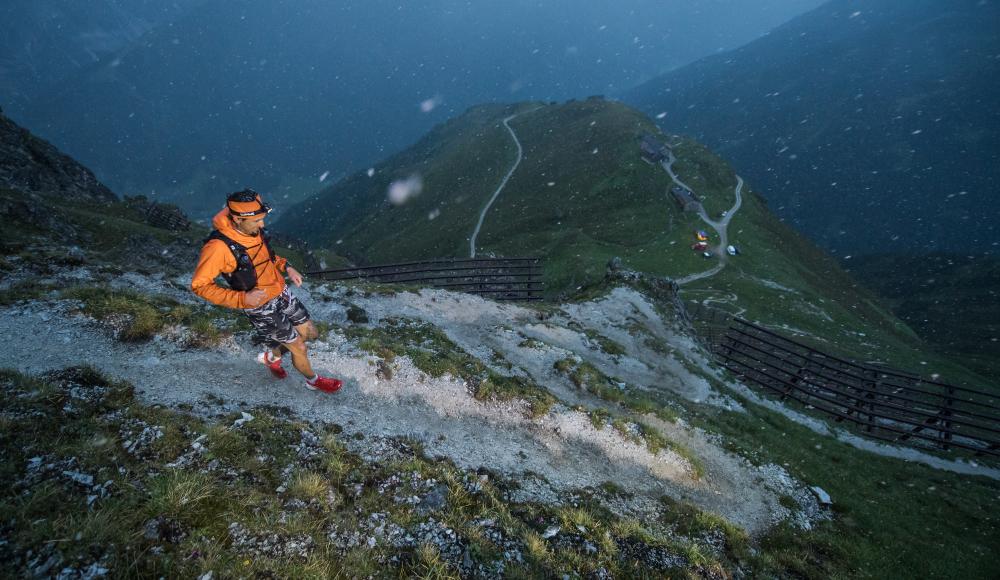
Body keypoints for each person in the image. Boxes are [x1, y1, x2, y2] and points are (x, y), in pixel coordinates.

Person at [191, 188, 343, 393]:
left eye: (262, 219)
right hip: (260, 304)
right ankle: (313, 381)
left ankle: (271, 357)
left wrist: (287, 266)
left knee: (310, 333)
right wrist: (243, 298)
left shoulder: (253, 229)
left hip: (280, 291)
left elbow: (268, 257)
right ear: (237, 219)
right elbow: (200, 286)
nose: (262, 225)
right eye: (257, 221)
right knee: (299, 347)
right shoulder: (218, 248)